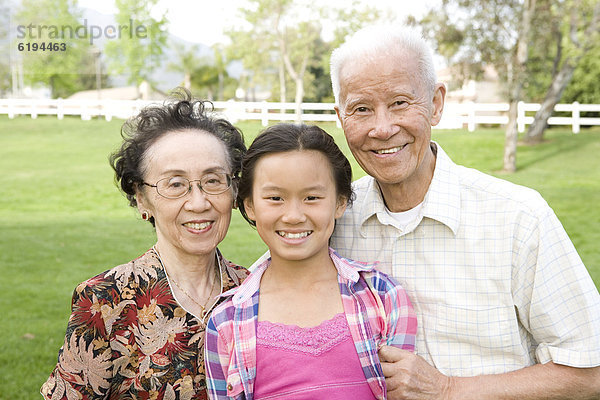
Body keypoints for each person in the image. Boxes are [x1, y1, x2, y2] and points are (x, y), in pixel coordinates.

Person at [328, 25, 600, 399]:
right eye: (361, 109)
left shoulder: (519, 218)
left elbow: (590, 373)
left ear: (436, 103)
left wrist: (448, 389)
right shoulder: (333, 219)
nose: (383, 128)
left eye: (400, 103)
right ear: (341, 117)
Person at [41, 91, 250, 400]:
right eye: (175, 184)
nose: (198, 202)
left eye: (214, 180)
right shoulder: (104, 301)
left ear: (233, 190)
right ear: (142, 198)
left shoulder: (255, 291)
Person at [204, 123, 417, 399]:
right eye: (275, 198)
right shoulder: (225, 323)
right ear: (250, 206)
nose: (293, 215)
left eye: (312, 197)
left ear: (340, 202)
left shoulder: (383, 298)